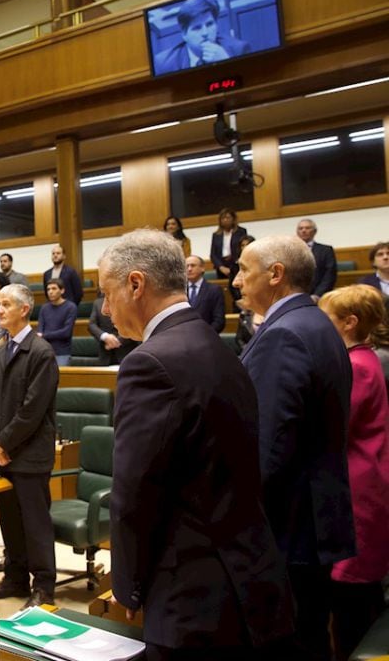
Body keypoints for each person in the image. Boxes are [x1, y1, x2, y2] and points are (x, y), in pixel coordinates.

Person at [100, 229, 294, 659]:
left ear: (136, 284)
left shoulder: (148, 362)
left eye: (107, 292)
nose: (104, 308)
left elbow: (134, 492)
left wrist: (126, 586)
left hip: (190, 593)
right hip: (247, 574)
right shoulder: (218, 345)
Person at [233, 235, 355, 661]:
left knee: (288, 644)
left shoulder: (284, 334)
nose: (236, 281)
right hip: (312, 523)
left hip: (288, 531)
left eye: (244, 270)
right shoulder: (317, 323)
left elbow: (266, 450)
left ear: (276, 273)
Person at [317, 286, 389, 661]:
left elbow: (333, 427)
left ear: (350, 322)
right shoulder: (364, 358)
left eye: (326, 319)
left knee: (353, 597)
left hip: (358, 488)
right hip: (362, 479)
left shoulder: (356, 366)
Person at [0, 284, 59, 608]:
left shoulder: (41, 353)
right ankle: (15, 577)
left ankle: (43, 588)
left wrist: (2, 441)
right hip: (4, 454)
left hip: (30, 455)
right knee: (9, 521)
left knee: (35, 524)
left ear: (24, 309)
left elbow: (32, 410)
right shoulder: (1, 352)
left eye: (6, 304)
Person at [153, 0, 252, 74]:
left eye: (209, 24)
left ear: (216, 24)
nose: (205, 33)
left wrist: (226, 63)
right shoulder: (164, 64)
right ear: (184, 34)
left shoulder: (238, 50)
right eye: (197, 28)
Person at [87, 293, 137, 365]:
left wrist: (116, 341)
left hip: (127, 353)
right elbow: (91, 325)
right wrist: (105, 336)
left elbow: (134, 324)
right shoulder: (97, 303)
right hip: (105, 355)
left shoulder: (129, 300)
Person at [37, 279, 77, 366]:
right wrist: (42, 335)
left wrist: (44, 335)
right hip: (45, 351)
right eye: (48, 289)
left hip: (62, 352)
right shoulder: (44, 308)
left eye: (54, 288)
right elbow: (40, 329)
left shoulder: (70, 307)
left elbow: (66, 332)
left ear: (62, 290)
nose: (50, 292)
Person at [209, 208, 246, 302]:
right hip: (221, 267)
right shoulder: (216, 234)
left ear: (233, 219)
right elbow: (213, 254)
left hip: (235, 265)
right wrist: (221, 267)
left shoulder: (241, 232)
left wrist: (234, 265)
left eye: (228, 217)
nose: (225, 220)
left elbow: (242, 249)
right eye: (223, 218)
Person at [297, 218, 337, 300]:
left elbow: (329, 275)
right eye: (300, 228)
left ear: (315, 231)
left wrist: (317, 295)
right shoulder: (291, 251)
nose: (303, 230)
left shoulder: (326, 250)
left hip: (320, 296)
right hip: (296, 296)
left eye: (307, 228)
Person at [185, 255, 225, 332]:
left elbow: (219, 321)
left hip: (206, 337)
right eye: (186, 266)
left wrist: (206, 334)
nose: (189, 269)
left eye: (193, 265)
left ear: (202, 268)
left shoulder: (214, 290)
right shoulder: (179, 291)